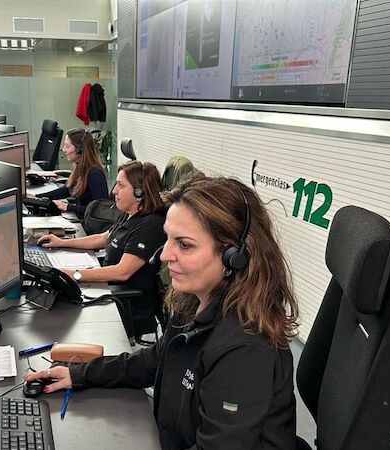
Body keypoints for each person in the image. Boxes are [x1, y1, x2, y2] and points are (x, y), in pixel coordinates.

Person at [27, 176, 299, 449]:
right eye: (168, 238)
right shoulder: (194, 302)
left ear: (235, 256)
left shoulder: (244, 348)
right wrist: (78, 374)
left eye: (184, 244)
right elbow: (153, 361)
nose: (164, 255)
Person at [37, 161, 166, 338]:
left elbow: (123, 272)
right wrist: (61, 242)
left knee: (59, 320)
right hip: (107, 289)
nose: (114, 191)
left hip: (124, 302)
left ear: (139, 193)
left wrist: (75, 275)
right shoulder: (130, 214)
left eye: (120, 185)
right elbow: (103, 238)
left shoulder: (149, 226)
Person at [36, 128, 108, 216]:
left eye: (67, 146)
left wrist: (68, 207)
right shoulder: (79, 166)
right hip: (80, 216)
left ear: (79, 149)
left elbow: (101, 210)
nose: (64, 149)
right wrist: (37, 197)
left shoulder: (95, 173)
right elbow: (66, 190)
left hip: (87, 222)